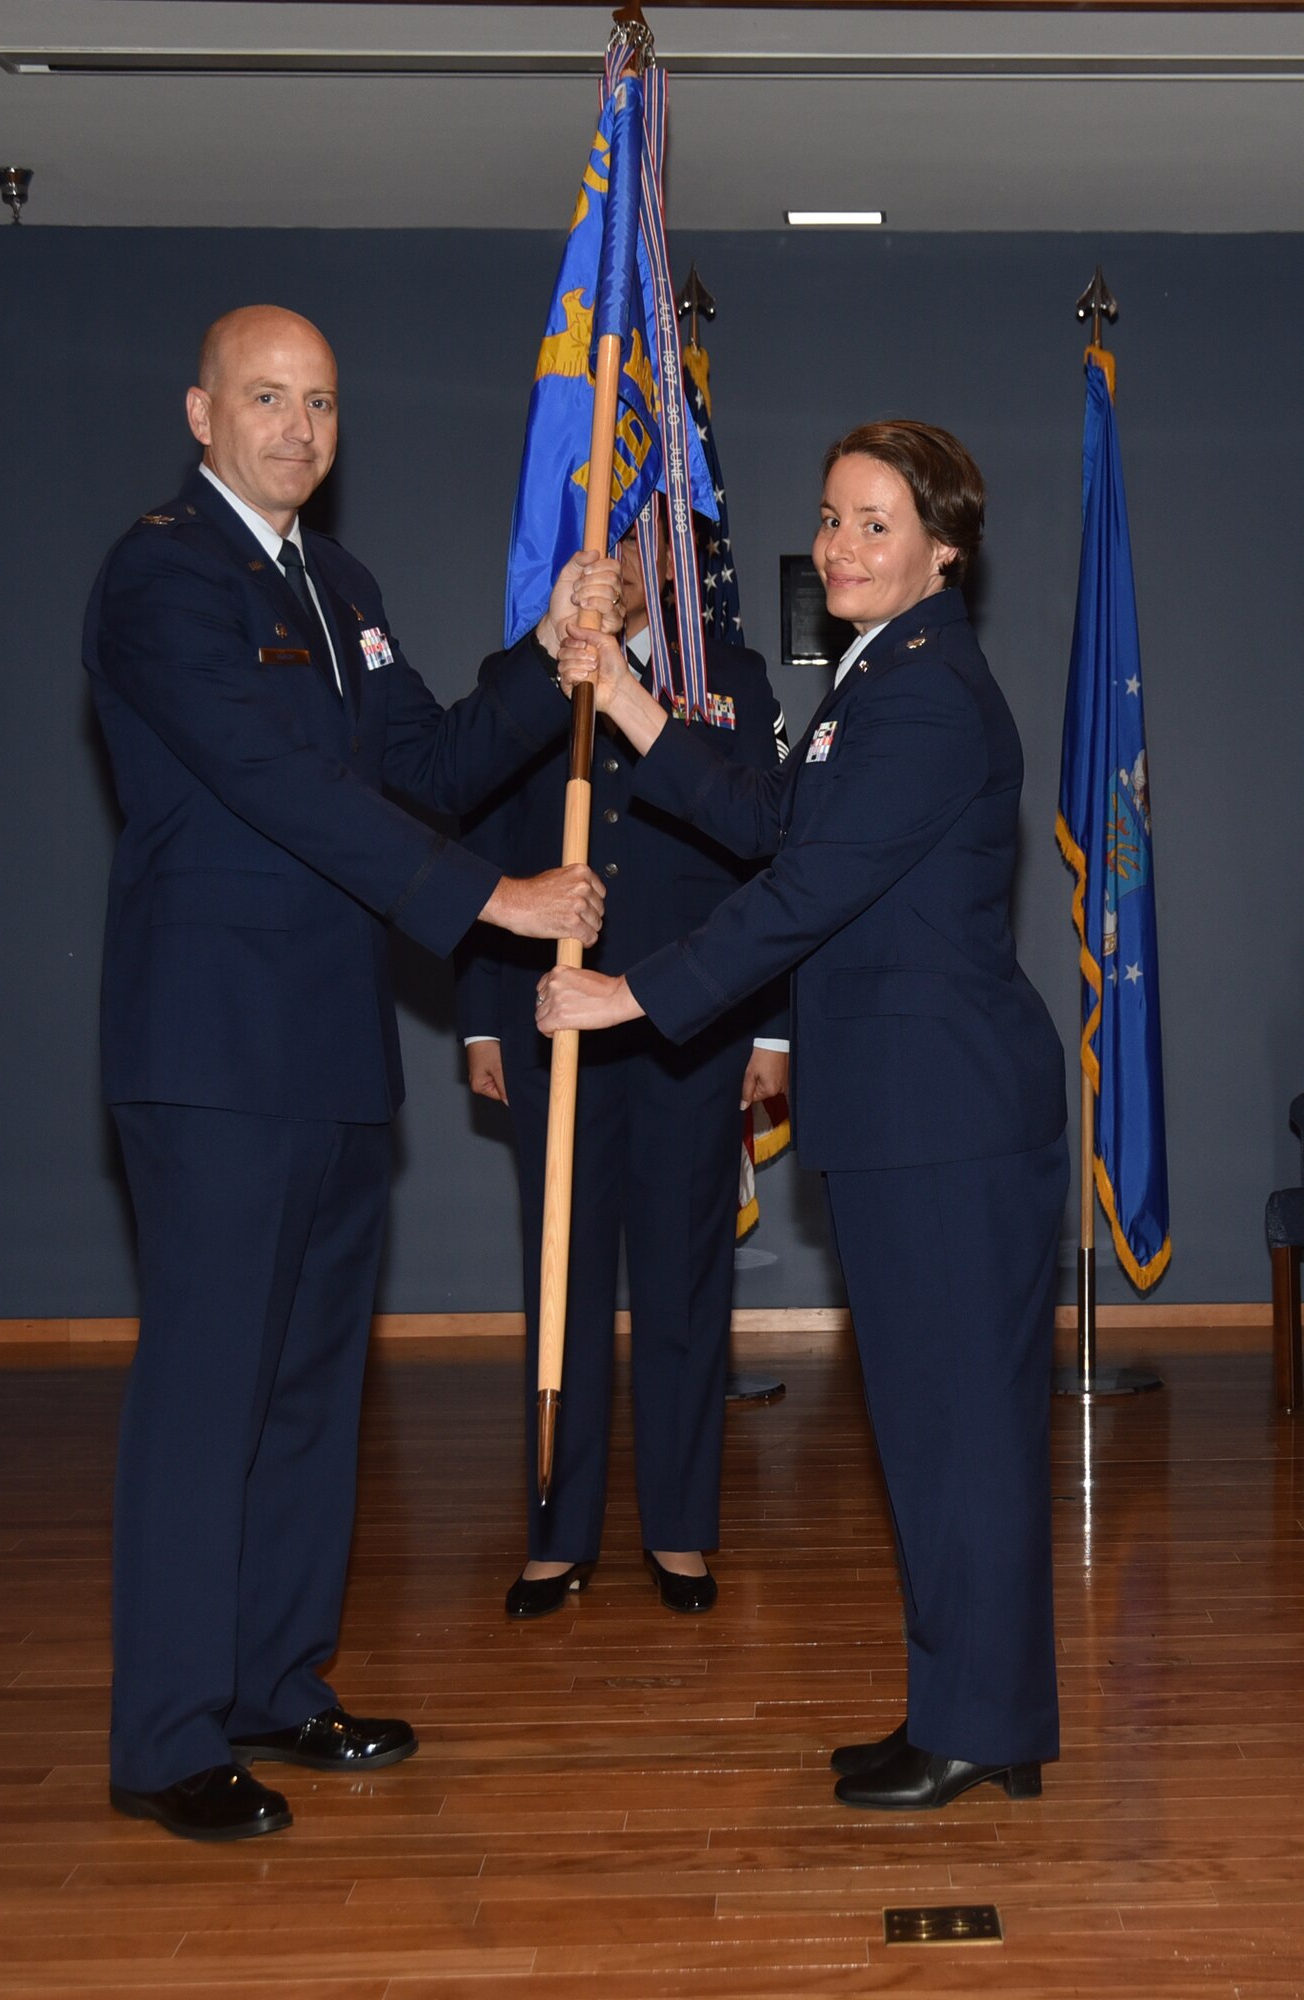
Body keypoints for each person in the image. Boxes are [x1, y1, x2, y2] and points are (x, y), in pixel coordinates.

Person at [84, 303, 617, 1843]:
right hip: (210, 1053)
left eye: (319, 404)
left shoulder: (343, 585)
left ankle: (272, 1684)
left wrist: (547, 656)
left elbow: (430, 766)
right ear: (202, 413)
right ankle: (170, 1736)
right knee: (207, 1402)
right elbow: (282, 788)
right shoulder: (161, 575)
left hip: (325, 1052)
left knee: (312, 1397)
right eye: (266, 398)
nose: (297, 429)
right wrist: (490, 903)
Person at [538, 421, 1069, 1812]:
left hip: (945, 1118)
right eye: (832, 517)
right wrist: (641, 702)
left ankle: (977, 1721)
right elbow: (777, 813)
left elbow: (800, 895)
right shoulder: (876, 677)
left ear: (943, 548)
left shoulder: (929, 694)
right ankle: (972, 1712)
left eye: (875, 523)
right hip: (911, 1115)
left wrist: (630, 998)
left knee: (958, 1430)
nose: (841, 544)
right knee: (937, 1428)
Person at [456, 530, 788, 1617]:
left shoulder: (727, 679)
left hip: (689, 1027)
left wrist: (773, 1033)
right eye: (611, 543)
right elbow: (479, 841)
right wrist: (478, 1022)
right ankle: (558, 1532)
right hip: (551, 1015)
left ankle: (681, 1529)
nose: (629, 564)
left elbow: (773, 865)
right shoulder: (529, 670)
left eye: (652, 546)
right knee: (564, 1276)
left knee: (685, 1281)